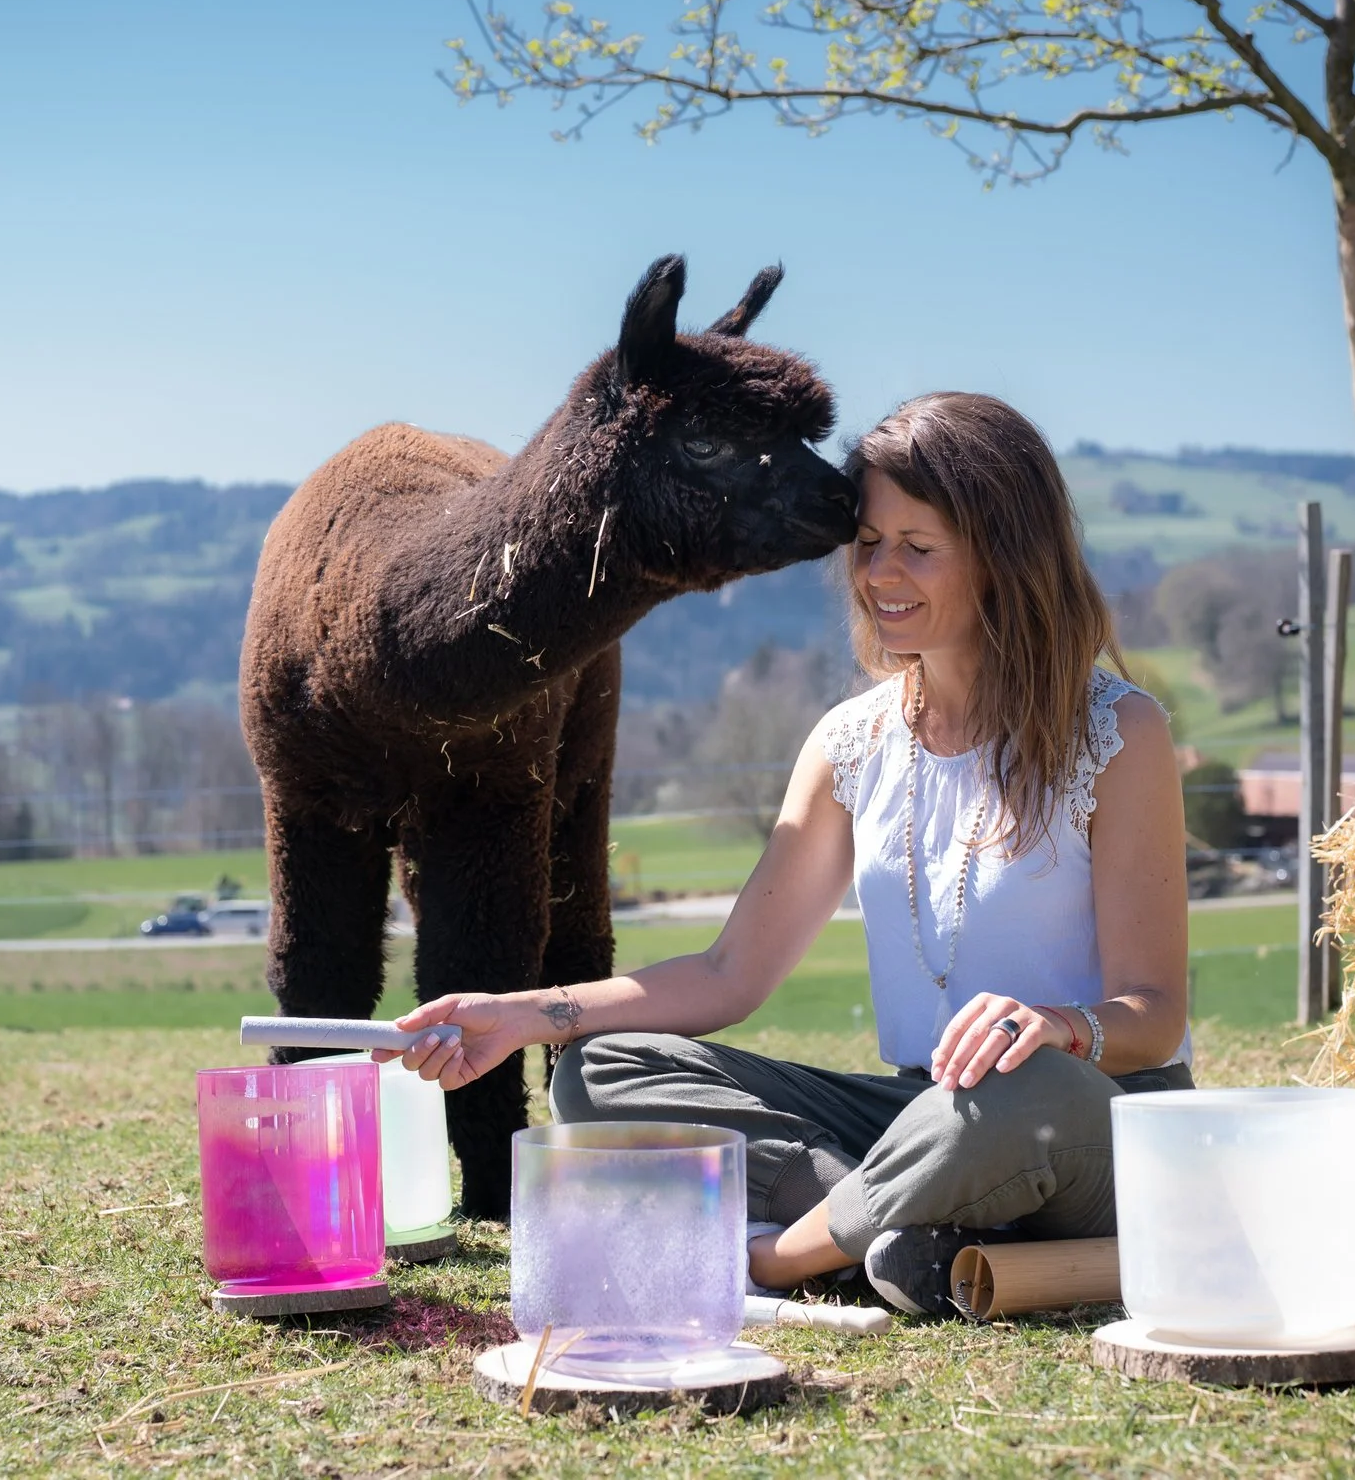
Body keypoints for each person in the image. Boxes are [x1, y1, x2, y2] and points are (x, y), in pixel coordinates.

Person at [378, 392, 1192, 1317]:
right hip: (919, 1117)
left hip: (1086, 1115)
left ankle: (786, 1255)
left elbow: (1154, 1016)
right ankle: (913, 1233)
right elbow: (729, 972)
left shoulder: (1118, 733)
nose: (880, 572)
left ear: (1005, 555)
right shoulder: (851, 743)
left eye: (918, 547)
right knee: (599, 1069)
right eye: (868, 542)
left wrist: (1054, 1026)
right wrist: (525, 1014)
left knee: (1016, 1089)